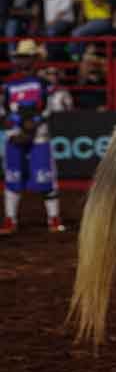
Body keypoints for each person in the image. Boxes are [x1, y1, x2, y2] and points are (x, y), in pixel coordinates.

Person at [2, 40, 65, 234]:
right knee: (13, 176)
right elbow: (3, 110)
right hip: (15, 134)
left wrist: (34, 122)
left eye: (26, 57)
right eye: (20, 57)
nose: (22, 61)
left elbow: (50, 108)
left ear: (35, 59)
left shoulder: (44, 84)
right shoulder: (8, 85)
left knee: (45, 175)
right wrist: (15, 129)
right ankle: (10, 219)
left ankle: (53, 219)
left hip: (39, 135)